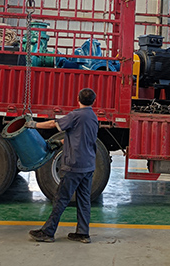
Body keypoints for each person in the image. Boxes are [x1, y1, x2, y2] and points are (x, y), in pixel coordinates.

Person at [26, 88, 98, 244]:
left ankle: (48, 232)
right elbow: (81, 137)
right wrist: (61, 142)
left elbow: (54, 123)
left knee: (61, 199)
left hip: (74, 166)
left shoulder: (75, 115)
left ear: (77, 98)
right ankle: (83, 233)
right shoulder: (93, 117)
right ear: (94, 101)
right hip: (88, 165)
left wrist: (34, 125)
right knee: (84, 200)